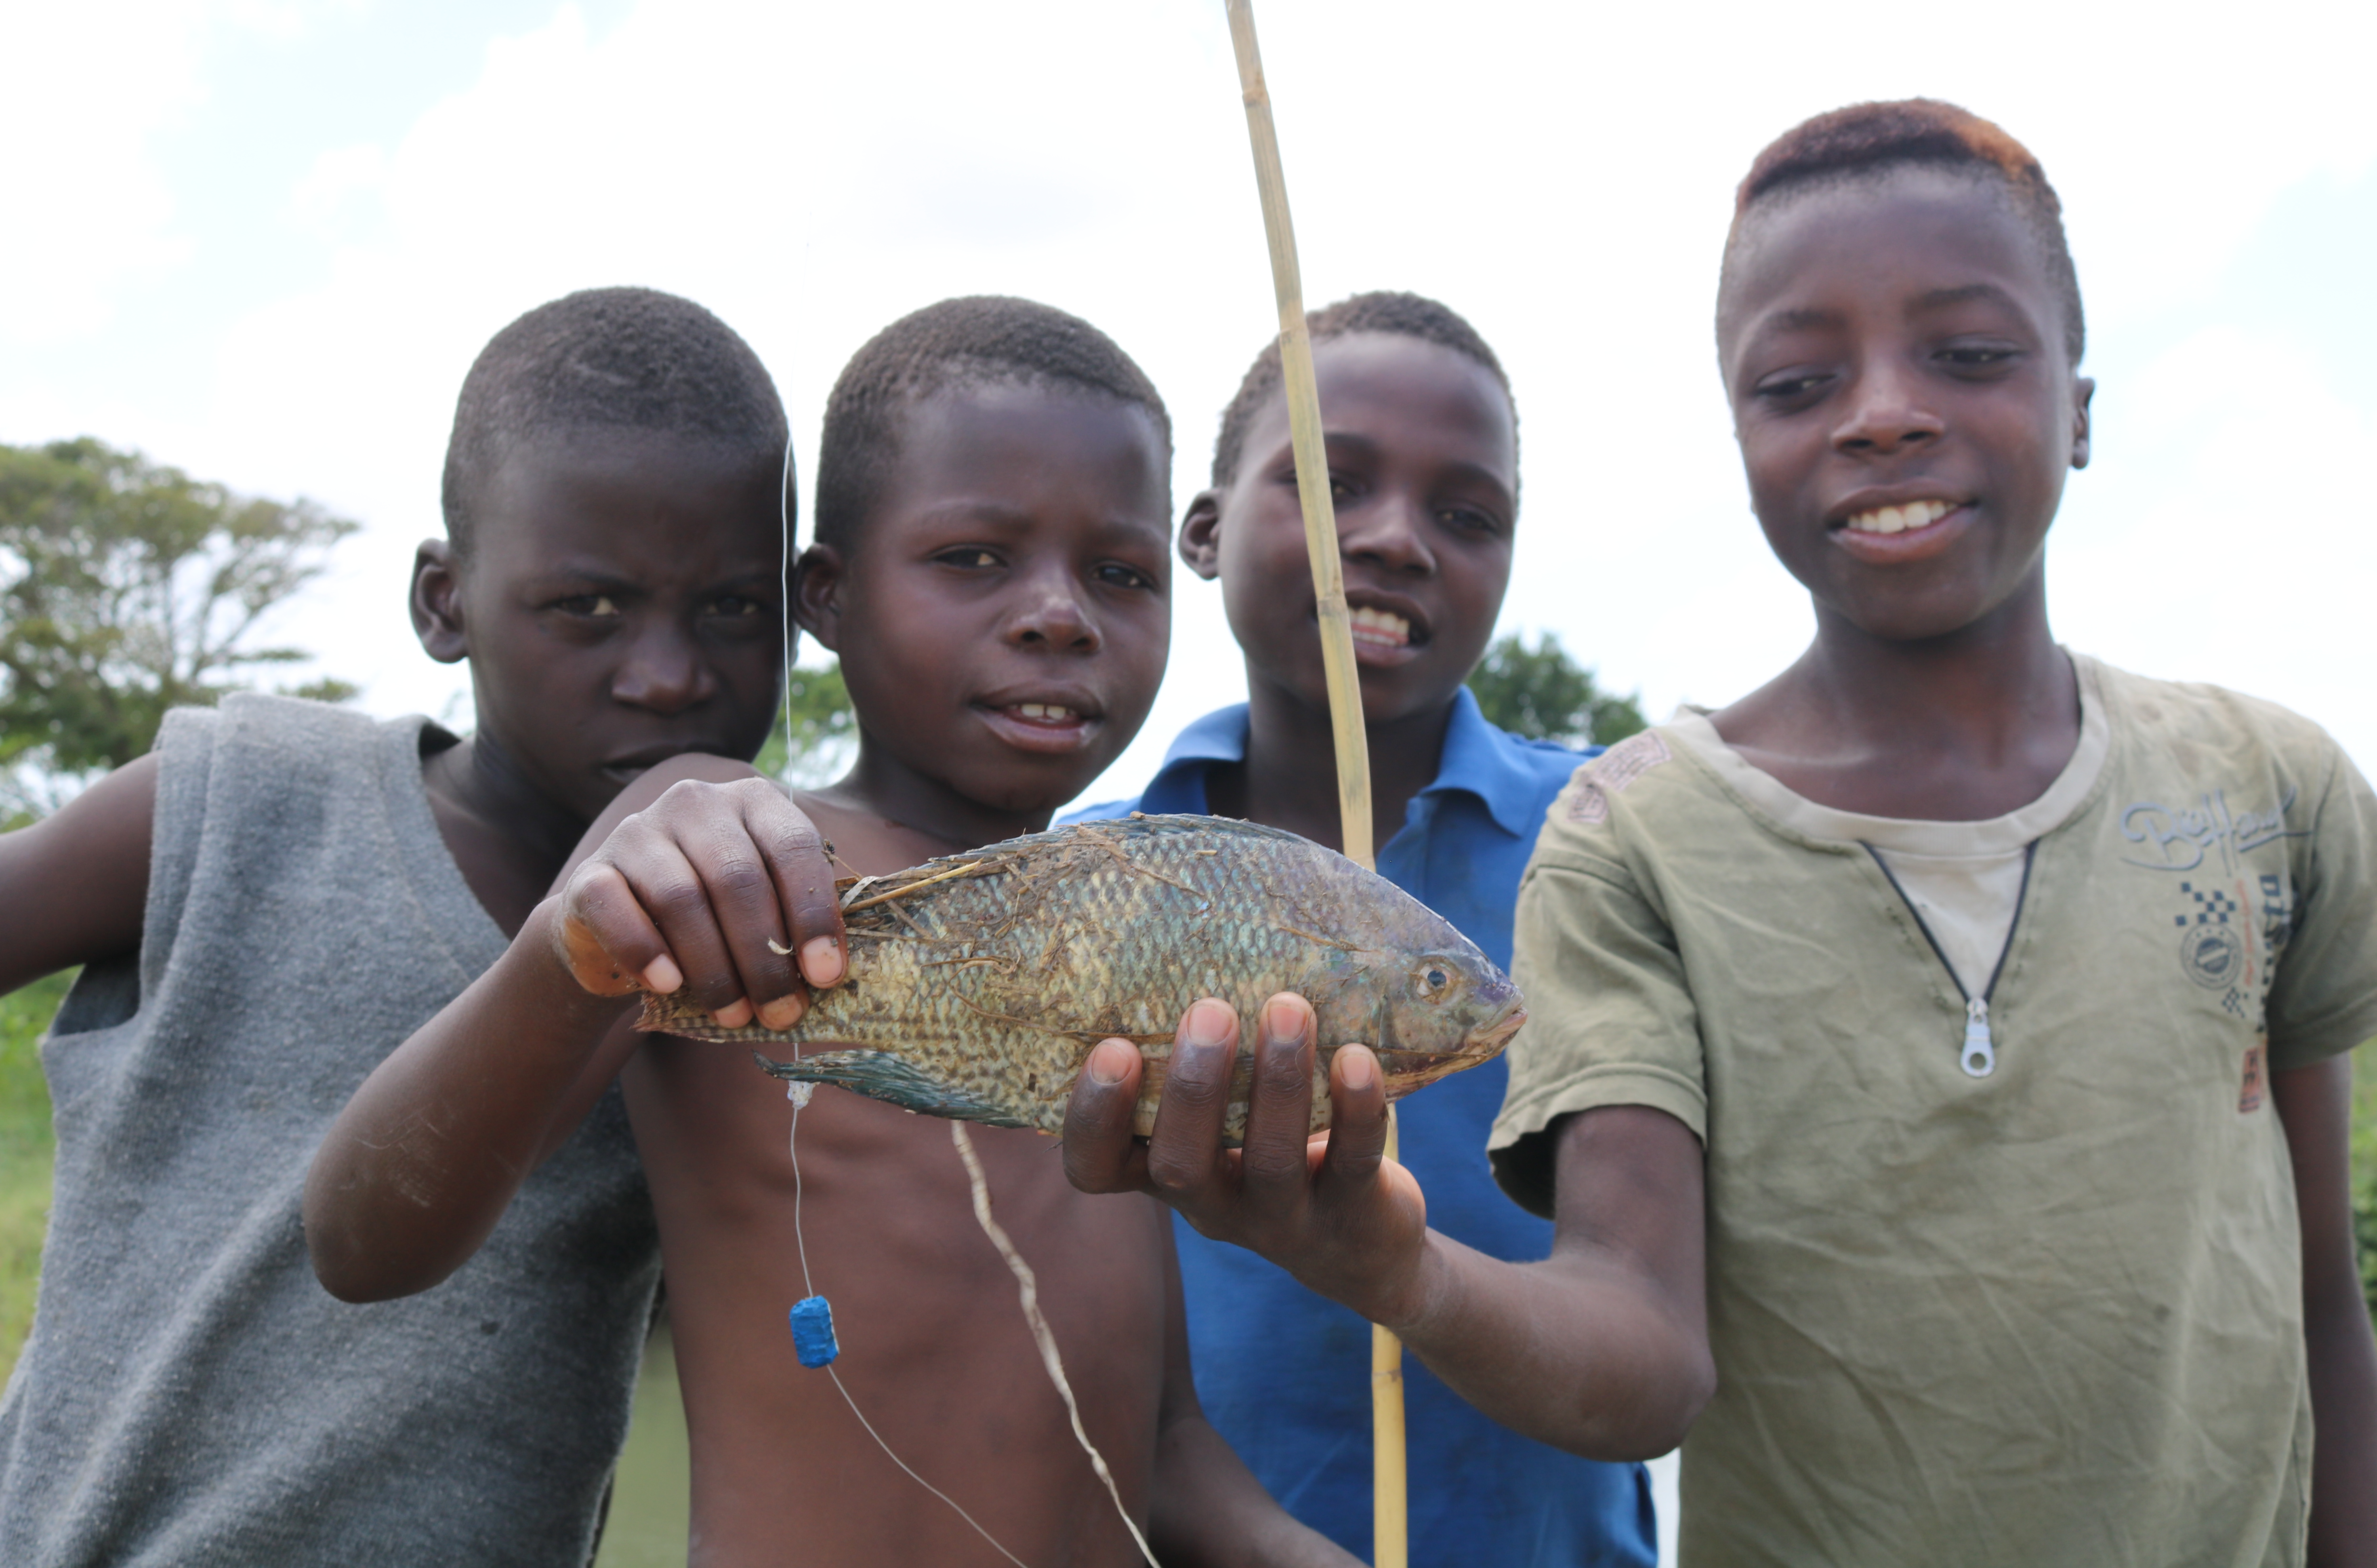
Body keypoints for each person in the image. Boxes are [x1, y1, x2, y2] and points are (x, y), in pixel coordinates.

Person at [1061, 102, 2377, 1566]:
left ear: (2079, 399)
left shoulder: (2271, 788)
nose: (1883, 412)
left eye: (1971, 352)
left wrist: (1405, 1268)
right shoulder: (1626, 846)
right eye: (1807, 377)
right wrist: (1391, 1274)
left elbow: (2326, 1302)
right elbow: (1105, 1352)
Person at [307, 296, 1362, 1568]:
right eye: (975, 557)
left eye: (1121, 575)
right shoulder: (728, 854)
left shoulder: (1136, 944)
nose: (1057, 615)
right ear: (826, 596)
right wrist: (569, 952)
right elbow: (364, 1241)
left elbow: (1168, 1452)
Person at [0, 286, 794, 1564]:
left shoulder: (742, 944)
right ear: (444, 604)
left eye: (734, 610)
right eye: (586, 608)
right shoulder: (236, 801)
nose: (668, 674)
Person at [1065, 290, 1653, 1564]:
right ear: (1207, 533)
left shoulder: (1617, 839)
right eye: (1332, 488)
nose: (1392, 540)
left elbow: (1662, 1338)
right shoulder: (1090, 876)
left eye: (1467, 515)